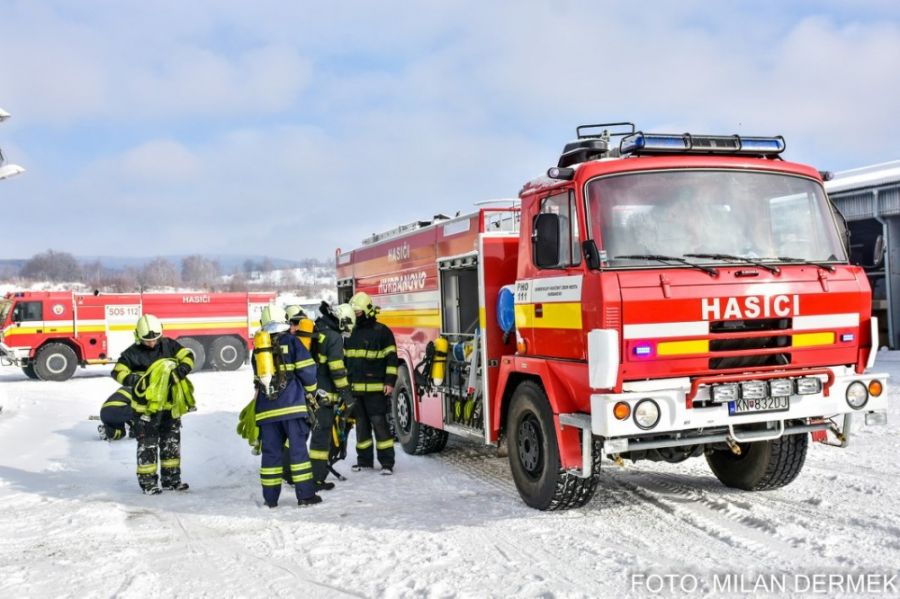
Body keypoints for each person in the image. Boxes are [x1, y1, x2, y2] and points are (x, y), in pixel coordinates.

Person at [110, 314, 195, 495]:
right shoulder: (131, 353)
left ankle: (171, 480)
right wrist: (132, 378)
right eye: (147, 340)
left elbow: (187, 355)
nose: (151, 343)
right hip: (144, 411)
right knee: (147, 446)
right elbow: (117, 371)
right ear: (138, 336)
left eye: (155, 339)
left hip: (169, 407)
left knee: (170, 443)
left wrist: (182, 369)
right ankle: (148, 483)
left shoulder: (169, 345)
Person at [252, 305, 321, 508]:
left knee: (271, 454)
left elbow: (258, 379)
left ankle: (270, 499)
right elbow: (308, 371)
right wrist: (312, 392)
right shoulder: (293, 341)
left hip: (266, 411)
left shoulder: (259, 348)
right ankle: (305, 496)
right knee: (298, 452)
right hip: (292, 407)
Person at [345, 291, 397, 475]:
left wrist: (390, 382)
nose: (355, 315)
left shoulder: (382, 332)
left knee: (380, 425)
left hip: (376, 390)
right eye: (354, 312)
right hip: (356, 390)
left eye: (358, 312)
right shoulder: (349, 333)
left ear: (367, 311)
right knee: (361, 427)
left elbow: (392, 359)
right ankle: (364, 461)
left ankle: (387, 463)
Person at [307, 302, 356, 490]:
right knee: (322, 436)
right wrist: (346, 394)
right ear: (342, 320)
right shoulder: (334, 337)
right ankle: (317, 479)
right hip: (324, 396)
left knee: (300, 434)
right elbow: (336, 370)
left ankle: (290, 473)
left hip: (309, 392)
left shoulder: (317, 328)